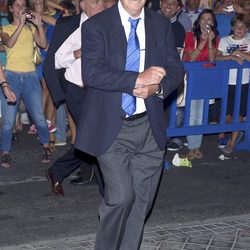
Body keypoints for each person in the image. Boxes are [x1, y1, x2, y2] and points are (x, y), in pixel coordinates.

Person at [75, 0, 184, 249]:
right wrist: (136, 78)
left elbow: (176, 70)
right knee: (121, 198)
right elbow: (91, 73)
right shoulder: (96, 25)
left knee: (140, 204)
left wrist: (158, 88)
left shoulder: (160, 24)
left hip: (149, 127)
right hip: (112, 128)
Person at [43, 0, 106, 196]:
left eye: (103, 1)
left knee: (92, 139)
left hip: (101, 91)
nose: (101, 4)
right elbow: (55, 60)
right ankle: (109, 191)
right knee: (97, 138)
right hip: (76, 90)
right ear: (83, 4)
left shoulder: (110, 25)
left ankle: (58, 170)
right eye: (96, 1)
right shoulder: (69, 25)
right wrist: (78, 53)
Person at [0, 0, 50, 168]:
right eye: (18, 5)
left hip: (30, 76)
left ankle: (46, 146)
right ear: (11, 9)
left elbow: (43, 44)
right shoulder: (5, 29)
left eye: (23, 5)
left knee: (39, 117)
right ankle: (5, 152)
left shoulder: (30, 28)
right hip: (11, 75)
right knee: (8, 120)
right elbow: (9, 43)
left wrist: (39, 25)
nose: (21, 7)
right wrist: (21, 24)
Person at [182, 9, 219, 160]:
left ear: (213, 23)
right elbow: (192, 57)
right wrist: (203, 41)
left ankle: (197, 146)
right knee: (193, 113)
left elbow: (211, 59)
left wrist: (210, 41)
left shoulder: (215, 37)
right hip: (193, 77)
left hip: (207, 78)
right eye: (203, 19)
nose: (205, 22)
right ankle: (192, 147)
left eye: (209, 19)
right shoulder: (190, 35)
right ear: (198, 22)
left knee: (202, 114)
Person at [215, 13, 250, 156]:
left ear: (247, 29)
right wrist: (230, 56)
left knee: (239, 114)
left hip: (243, 82)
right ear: (232, 27)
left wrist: (239, 53)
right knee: (225, 113)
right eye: (237, 27)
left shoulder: (248, 41)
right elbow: (216, 57)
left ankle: (232, 142)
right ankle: (224, 133)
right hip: (227, 81)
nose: (239, 30)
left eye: (243, 27)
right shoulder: (225, 40)